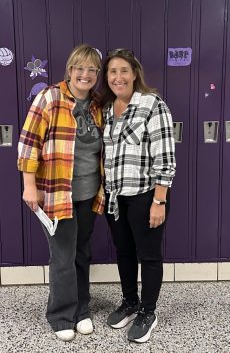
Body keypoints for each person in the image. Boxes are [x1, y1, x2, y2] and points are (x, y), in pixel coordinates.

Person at [17, 44, 104, 342]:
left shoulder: (95, 105)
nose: (86, 74)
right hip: (57, 194)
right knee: (63, 256)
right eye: (80, 68)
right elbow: (29, 143)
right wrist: (30, 186)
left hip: (88, 194)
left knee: (82, 253)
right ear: (69, 70)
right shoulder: (50, 98)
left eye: (92, 70)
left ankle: (82, 310)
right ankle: (61, 314)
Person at [100, 48, 176, 343]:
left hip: (146, 196)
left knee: (149, 255)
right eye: (112, 72)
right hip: (116, 197)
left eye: (123, 71)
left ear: (134, 74)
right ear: (106, 77)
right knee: (124, 253)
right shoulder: (109, 110)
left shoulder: (152, 105)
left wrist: (159, 201)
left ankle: (148, 311)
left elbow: (165, 158)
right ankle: (130, 301)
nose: (118, 77)